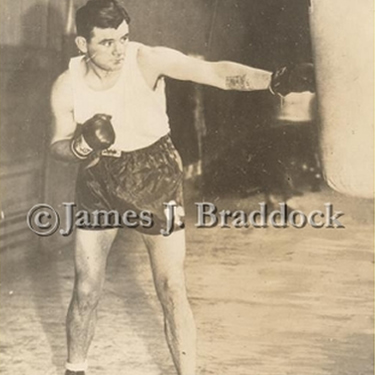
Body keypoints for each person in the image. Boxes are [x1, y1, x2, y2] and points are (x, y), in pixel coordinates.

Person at [50, 1, 314, 374]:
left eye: (123, 38)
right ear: (82, 44)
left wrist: (273, 80)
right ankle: (74, 369)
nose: (119, 49)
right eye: (107, 42)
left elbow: (213, 73)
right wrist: (80, 146)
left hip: (157, 175)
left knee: (172, 287)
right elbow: (57, 144)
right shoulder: (66, 85)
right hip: (98, 181)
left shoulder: (147, 61)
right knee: (86, 288)